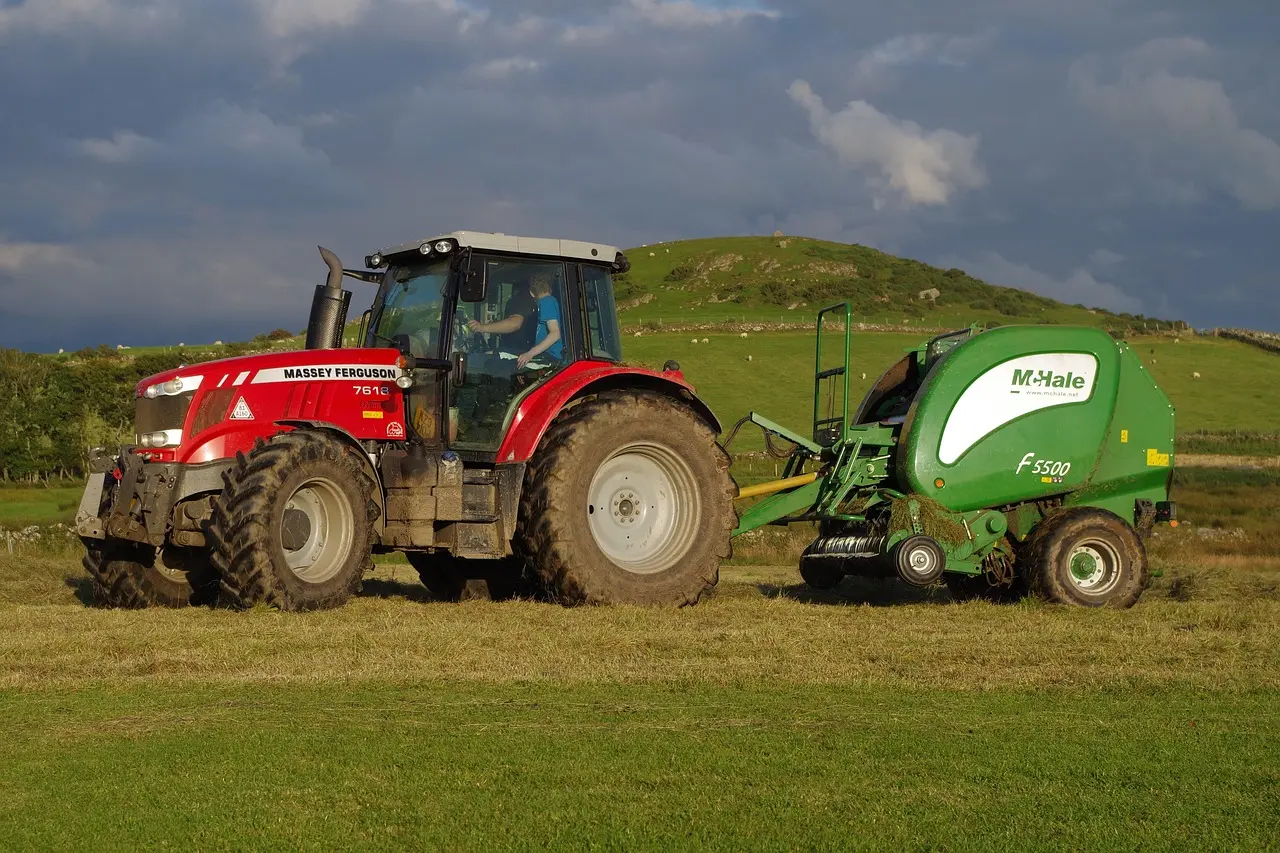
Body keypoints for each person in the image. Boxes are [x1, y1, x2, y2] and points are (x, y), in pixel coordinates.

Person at [517, 274, 562, 369]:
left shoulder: (546, 302)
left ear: (531, 293)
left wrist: (530, 353)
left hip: (550, 357)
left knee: (501, 356)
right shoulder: (550, 301)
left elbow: (555, 334)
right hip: (546, 355)